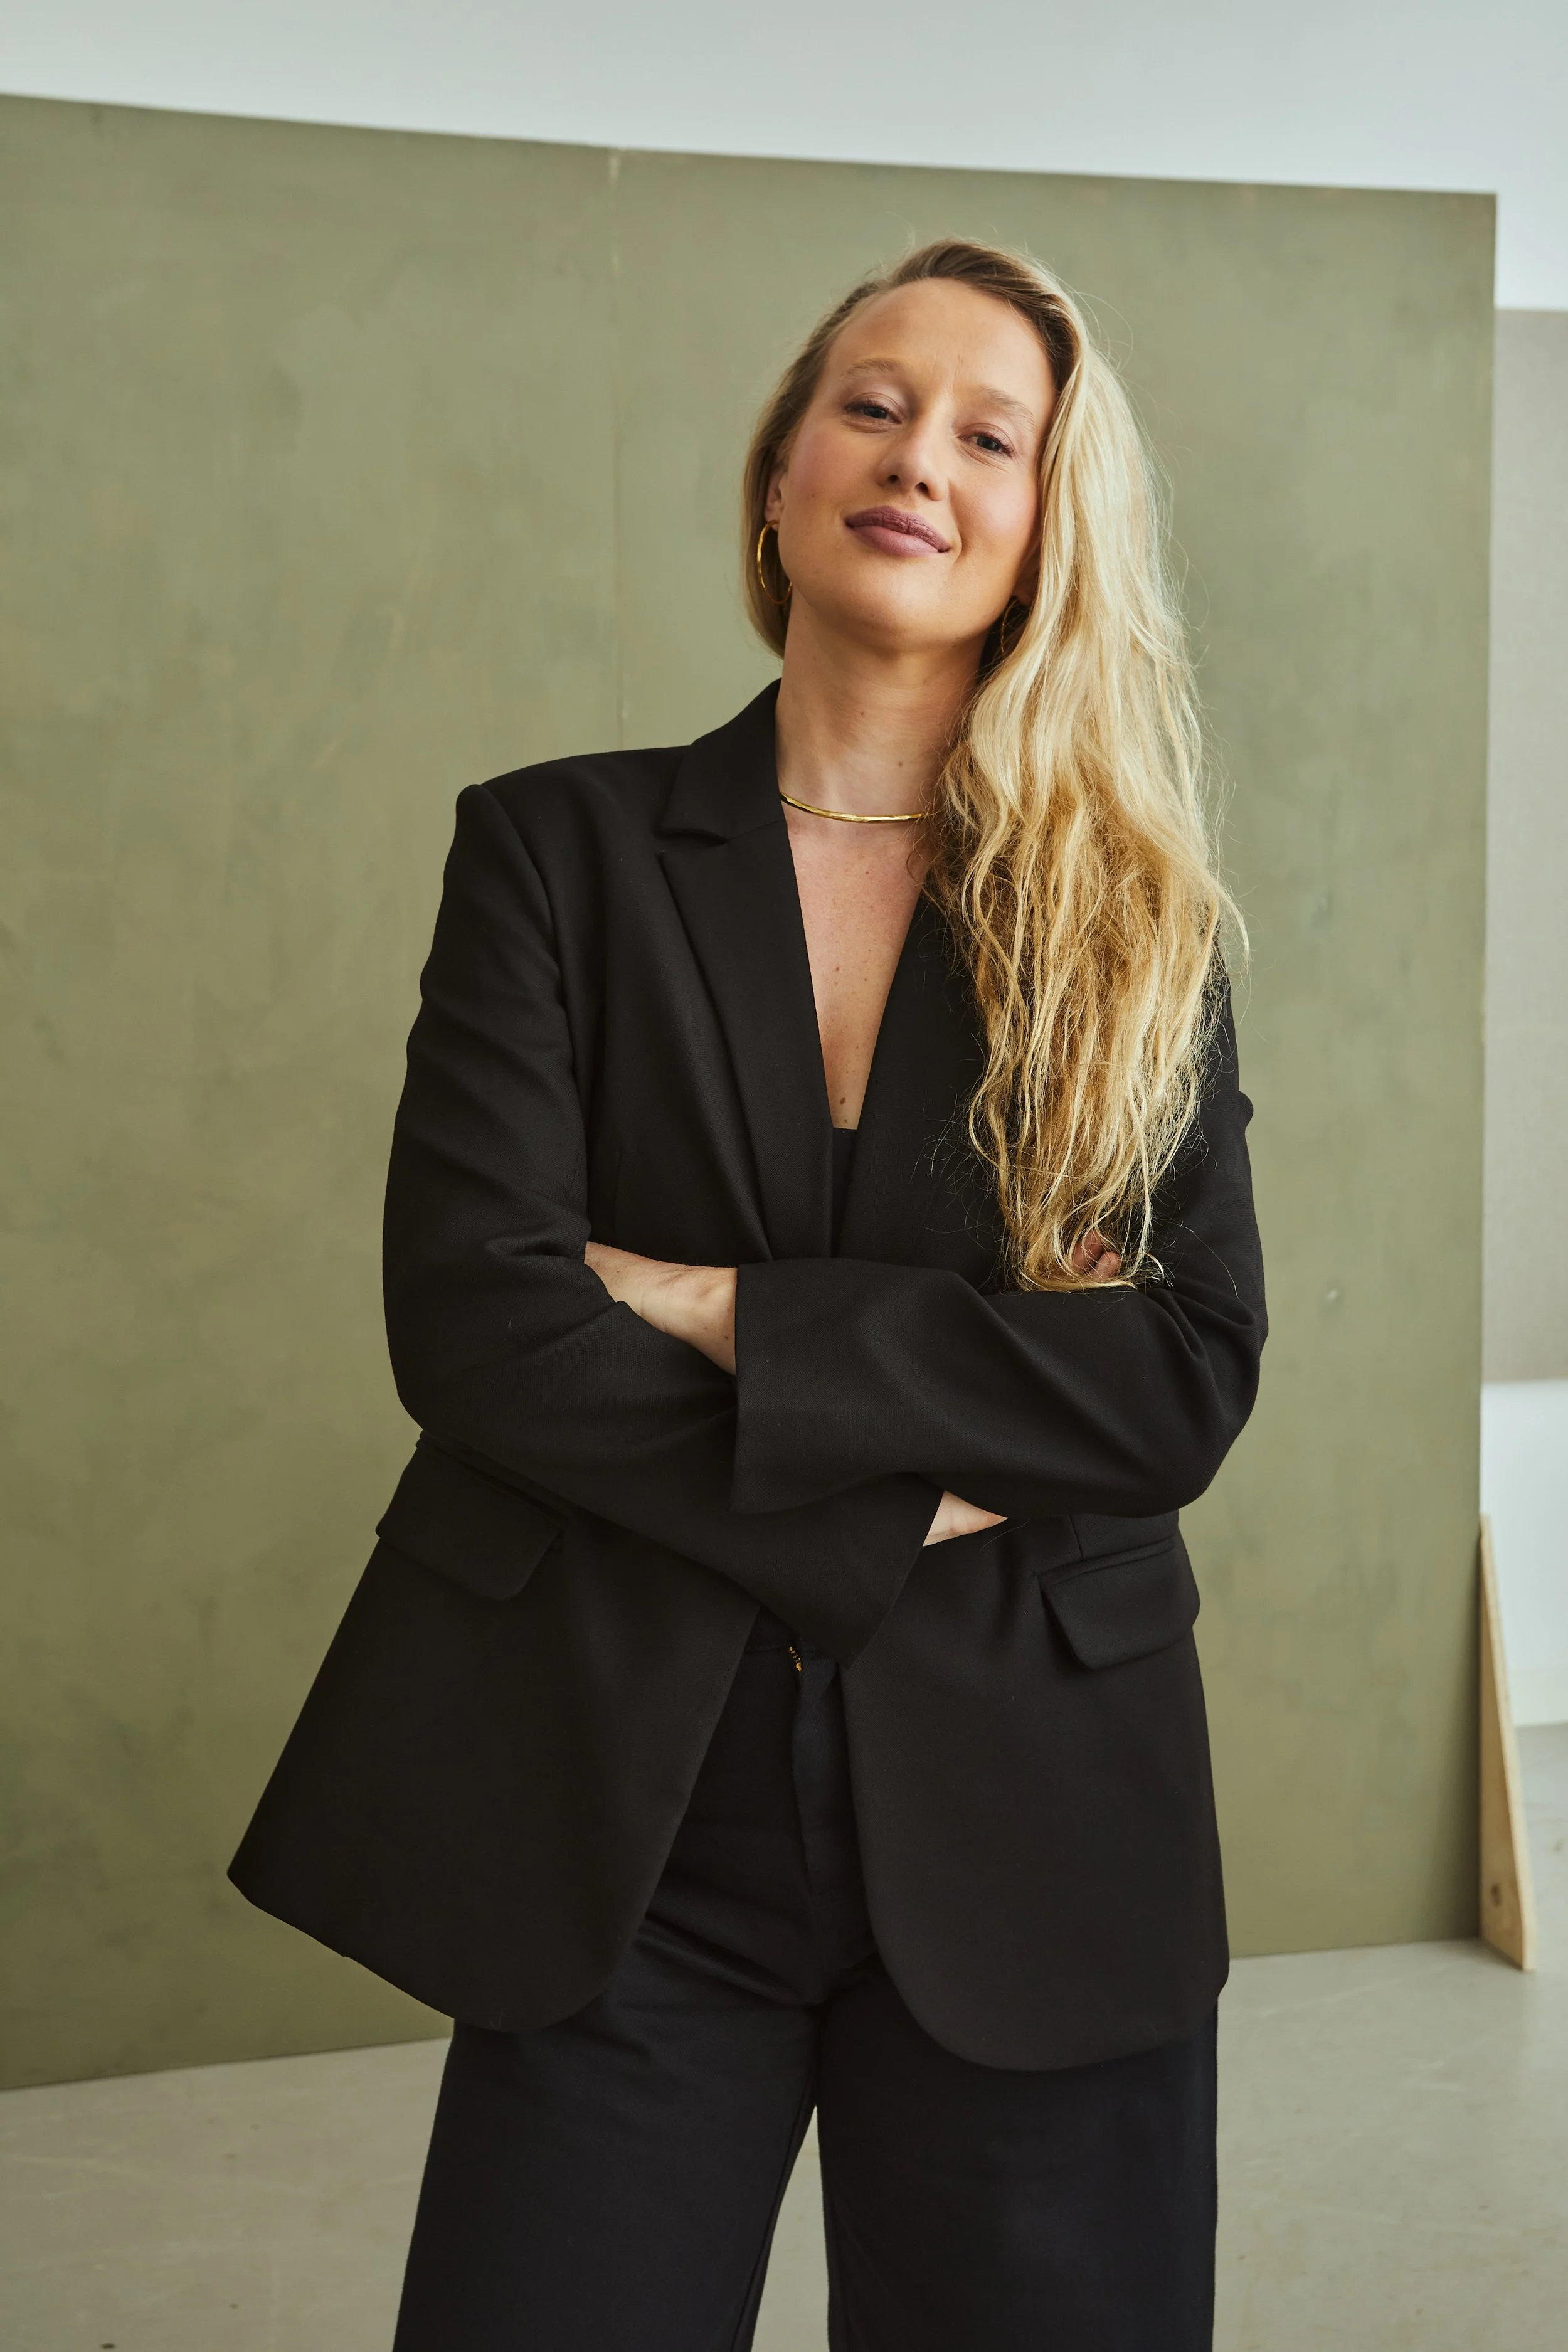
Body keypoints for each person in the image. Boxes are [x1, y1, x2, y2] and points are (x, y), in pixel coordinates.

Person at [231, 237, 1266, 2351]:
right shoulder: (551, 854)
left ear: (1046, 527)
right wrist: (919, 1477)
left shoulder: (1136, 925)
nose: (919, 459)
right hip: (623, 1816)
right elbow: (488, 1324)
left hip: (1037, 1813)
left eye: (993, 434)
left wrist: (711, 1303)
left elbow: (1170, 1378)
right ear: (780, 471)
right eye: (871, 403)